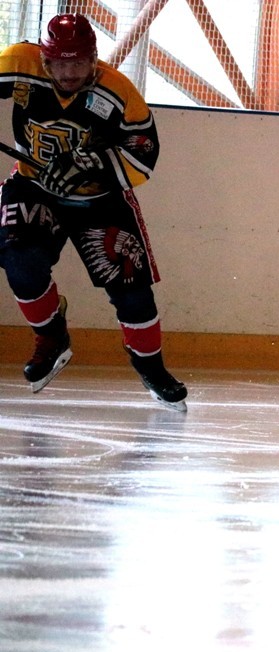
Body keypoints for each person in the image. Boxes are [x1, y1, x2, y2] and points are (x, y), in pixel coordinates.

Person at [0, 14, 187, 411]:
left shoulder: (118, 91)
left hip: (99, 199)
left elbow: (144, 155)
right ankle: (52, 336)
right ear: (45, 60)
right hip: (34, 186)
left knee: (132, 292)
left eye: (80, 63)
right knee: (19, 260)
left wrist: (94, 164)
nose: (70, 73)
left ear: (94, 58)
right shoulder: (18, 62)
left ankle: (151, 368)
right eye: (60, 64)